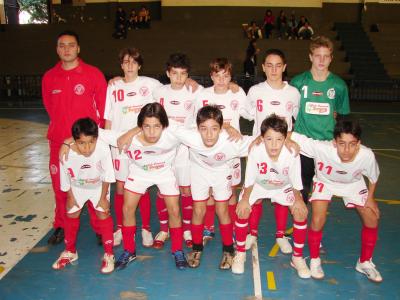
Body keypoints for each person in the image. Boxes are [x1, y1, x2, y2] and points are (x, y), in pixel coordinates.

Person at [290, 119, 382, 282]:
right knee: (318, 219)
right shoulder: (321, 148)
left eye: (352, 144)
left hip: (353, 184)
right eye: (342, 144)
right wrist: (261, 137)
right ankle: (315, 259)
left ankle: (365, 262)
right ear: (334, 142)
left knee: (372, 218)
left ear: (359, 144)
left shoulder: (366, 155)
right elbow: (289, 135)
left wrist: (371, 198)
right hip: (326, 183)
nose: (347, 150)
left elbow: (373, 177)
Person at [103, 103, 188, 270]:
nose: (151, 132)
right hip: (139, 173)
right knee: (127, 209)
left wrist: (229, 129)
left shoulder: (174, 133)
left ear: (164, 125)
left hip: (164, 172)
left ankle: (177, 250)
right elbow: (96, 133)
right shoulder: (128, 137)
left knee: (175, 210)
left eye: (157, 126)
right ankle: (129, 250)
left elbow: (203, 131)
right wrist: (68, 142)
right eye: (146, 126)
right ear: (140, 125)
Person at [42, 30, 107, 245]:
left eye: (71, 45)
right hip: (58, 143)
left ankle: (100, 227)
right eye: (62, 45)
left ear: (78, 48)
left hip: (87, 144)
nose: (66, 49)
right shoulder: (49, 77)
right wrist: (63, 135)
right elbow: (50, 108)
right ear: (57, 49)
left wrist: (90, 140)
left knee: (91, 184)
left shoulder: (93, 74)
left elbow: (104, 108)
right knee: (61, 188)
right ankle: (60, 225)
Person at [232, 115, 309, 279]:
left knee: (301, 212)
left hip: (283, 187)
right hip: (259, 185)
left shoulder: (293, 152)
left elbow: (296, 181)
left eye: (279, 139)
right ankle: (240, 254)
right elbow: (250, 179)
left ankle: (297, 258)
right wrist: (245, 200)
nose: (274, 144)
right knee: (243, 210)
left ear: (285, 138)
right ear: (261, 138)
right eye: (269, 139)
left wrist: (299, 200)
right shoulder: (255, 150)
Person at [104, 47, 162, 247]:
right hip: (119, 145)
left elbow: (175, 87)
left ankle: (145, 228)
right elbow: (108, 118)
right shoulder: (112, 86)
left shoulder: (151, 84)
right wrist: (108, 145)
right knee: (120, 187)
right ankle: (120, 227)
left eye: (133, 62)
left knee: (142, 185)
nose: (129, 65)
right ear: (121, 65)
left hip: (142, 144)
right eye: (126, 62)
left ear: (139, 65)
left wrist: (189, 81)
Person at [245, 49, 300, 253]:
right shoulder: (255, 91)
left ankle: (280, 235)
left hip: (283, 151)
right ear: (263, 67)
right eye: (269, 65)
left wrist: (290, 139)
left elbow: (294, 119)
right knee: (256, 193)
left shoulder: (293, 93)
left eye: (278, 65)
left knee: (282, 191)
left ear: (284, 67)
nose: (274, 69)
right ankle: (252, 232)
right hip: (260, 150)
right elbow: (245, 113)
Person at [192, 58, 252, 245]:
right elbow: (197, 119)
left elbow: (250, 115)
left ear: (231, 77)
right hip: (208, 150)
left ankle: (233, 226)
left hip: (231, 151)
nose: (221, 80)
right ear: (211, 76)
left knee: (230, 190)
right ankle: (209, 227)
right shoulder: (203, 95)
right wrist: (226, 125)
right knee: (209, 191)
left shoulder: (237, 92)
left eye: (226, 76)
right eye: (217, 76)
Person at [290, 36, 350, 204]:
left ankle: (316, 226)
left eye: (326, 56)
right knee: (301, 184)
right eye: (317, 55)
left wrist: (339, 141)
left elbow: (343, 118)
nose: (321, 60)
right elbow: (286, 109)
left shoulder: (339, 86)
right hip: (303, 143)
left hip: (328, 144)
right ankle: (299, 224)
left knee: (322, 188)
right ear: (310, 57)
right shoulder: (298, 82)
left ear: (331, 58)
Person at [53, 118, 115, 274]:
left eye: (91, 142)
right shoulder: (65, 153)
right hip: (76, 187)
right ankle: (70, 251)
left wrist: (103, 198)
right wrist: (71, 197)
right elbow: (65, 178)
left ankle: (109, 254)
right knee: (71, 213)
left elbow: (108, 175)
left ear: (96, 139)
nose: (87, 148)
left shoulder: (103, 148)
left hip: (99, 187)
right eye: (82, 143)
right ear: (73, 141)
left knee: (103, 212)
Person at [151, 53, 200, 249]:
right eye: (175, 73)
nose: (179, 78)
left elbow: (217, 90)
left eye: (183, 74)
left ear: (188, 74)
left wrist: (232, 86)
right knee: (164, 190)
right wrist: (117, 78)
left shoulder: (195, 91)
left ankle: (186, 229)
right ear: (167, 73)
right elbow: (137, 87)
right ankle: (164, 229)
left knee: (186, 189)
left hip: (185, 149)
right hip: (163, 148)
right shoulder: (157, 91)